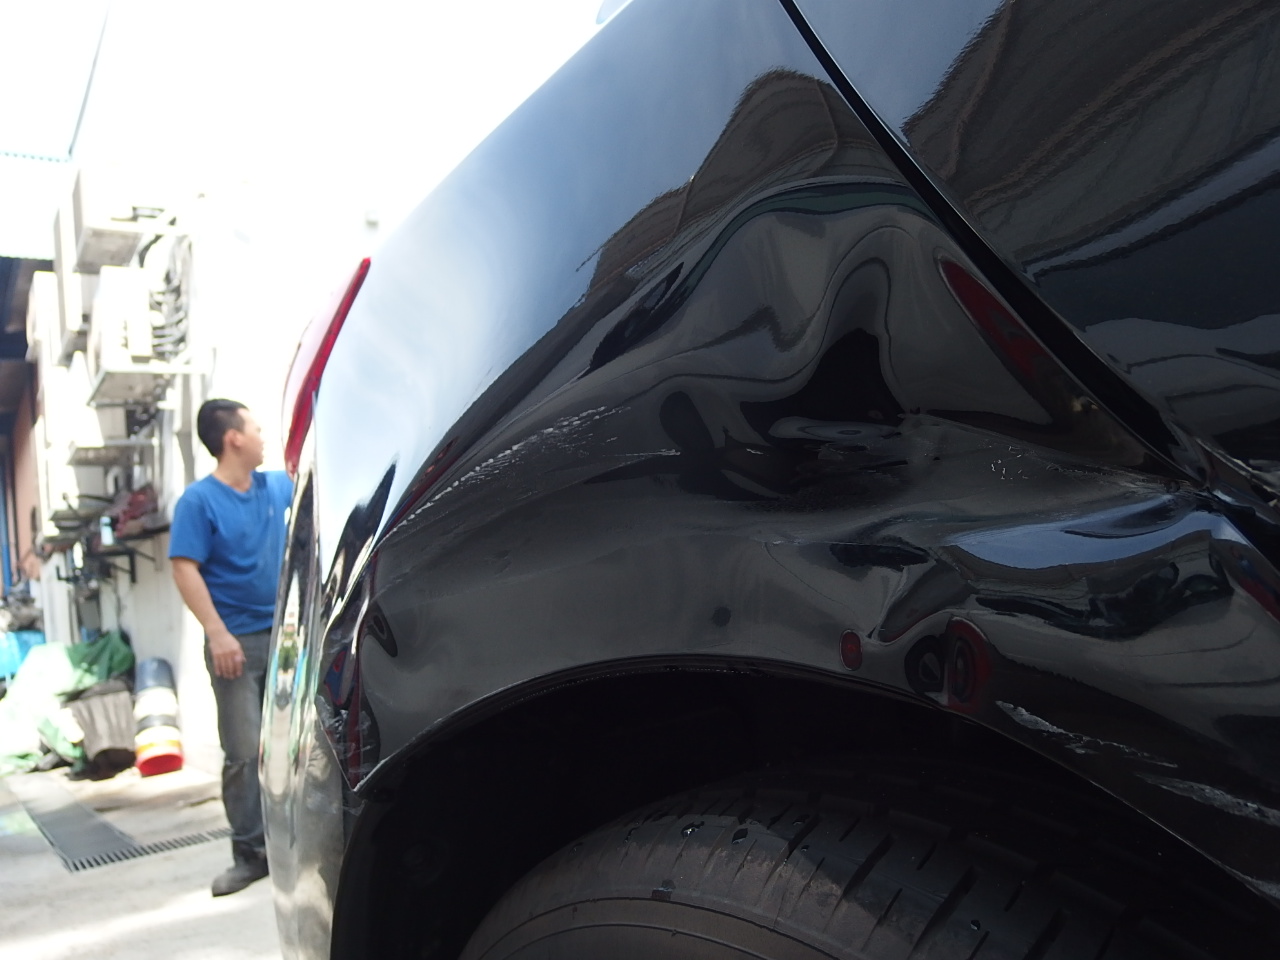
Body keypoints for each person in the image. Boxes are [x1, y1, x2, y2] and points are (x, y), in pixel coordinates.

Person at [170, 399, 292, 896]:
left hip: (285, 637)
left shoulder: (276, 486)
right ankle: (250, 854)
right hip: (235, 644)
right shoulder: (199, 502)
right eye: (256, 428)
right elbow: (184, 567)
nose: (263, 437)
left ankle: (295, 842)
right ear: (233, 439)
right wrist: (217, 633)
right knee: (243, 753)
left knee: (295, 746)